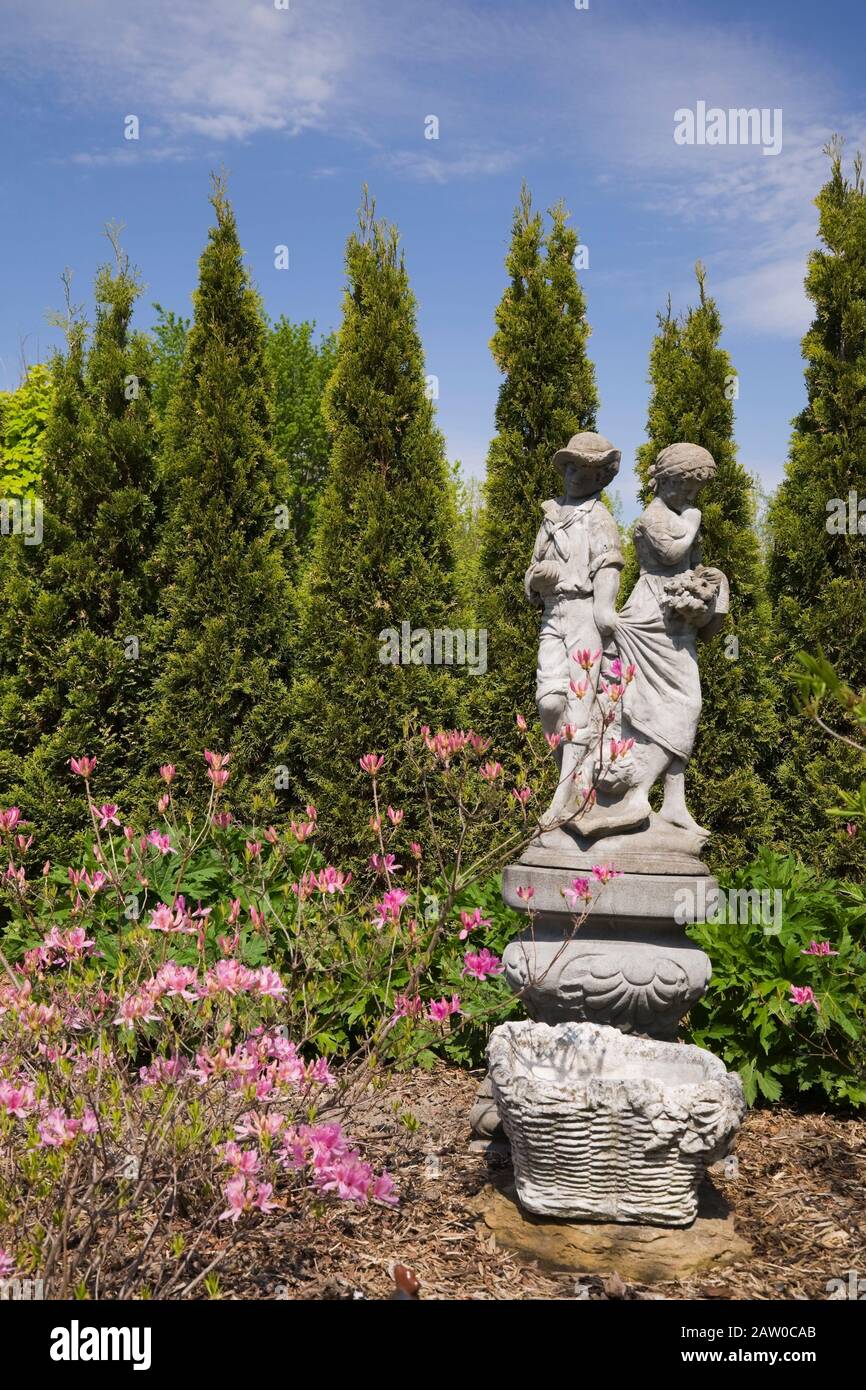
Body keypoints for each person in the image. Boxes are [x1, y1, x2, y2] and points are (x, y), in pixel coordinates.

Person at [524, 432, 623, 828]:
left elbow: (609, 566)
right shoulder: (550, 516)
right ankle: (570, 771)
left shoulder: (600, 519)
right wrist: (537, 580)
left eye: (581, 469)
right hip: (553, 614)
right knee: (549, 702)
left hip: (583, 613)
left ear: (599, 478)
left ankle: (563, 798)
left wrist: (604, 607)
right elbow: (532, 571)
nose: (572, 475)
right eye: (569, 466)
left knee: (579, 708)